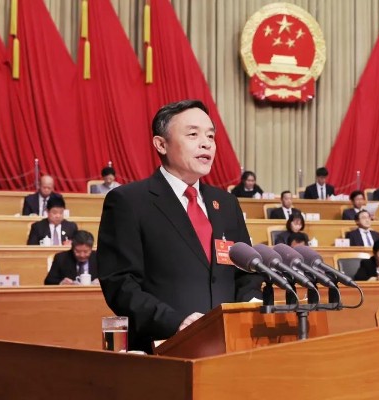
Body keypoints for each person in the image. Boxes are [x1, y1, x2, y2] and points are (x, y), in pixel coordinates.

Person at [96, 100, 263, 352]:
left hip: (230, 349)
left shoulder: (226, 203)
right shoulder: (129, 201)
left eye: (210, 136)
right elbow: (120, 284)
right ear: (161, 144)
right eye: (193, 134)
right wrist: (175, 322)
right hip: (165, 348)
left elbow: (246, 273)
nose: (206, 143)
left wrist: (249, 305)